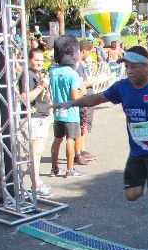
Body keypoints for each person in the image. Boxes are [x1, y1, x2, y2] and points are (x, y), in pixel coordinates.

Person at [52, 46, 148, 250]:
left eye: (133, 67)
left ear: (145, 66)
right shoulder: (122, 87)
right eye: (126, 66)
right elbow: (97, 98)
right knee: (132, 195)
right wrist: (71, 103)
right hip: (136, 150)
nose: (128, 71)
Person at [49, 36, 86, 178]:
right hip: (70, 112)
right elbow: (75, 96)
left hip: (57, 111)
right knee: (70, 139)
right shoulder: (73, 74)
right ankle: (70, 169)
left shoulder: (53, 71)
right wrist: (83, 91)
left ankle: (54, 168)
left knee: (57, 139)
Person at [20, 48, 53, 197]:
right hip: (34, 119)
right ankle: (36, 185)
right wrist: (41, 86)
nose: (39, 63)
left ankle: (35, 183)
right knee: (36, 153)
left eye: (41, 60)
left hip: (42, 117)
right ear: (29, 60)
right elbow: (26, 98)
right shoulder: (27, 76)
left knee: (36, 153)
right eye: (36, 60)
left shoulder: (37, 75)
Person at [75, 40, 97, 165]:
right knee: (81, 127)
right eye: (90, 51)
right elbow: (80, 84)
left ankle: (82, 150)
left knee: (85, 126)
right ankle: (78, 153)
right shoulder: (77, 65)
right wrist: (94, 81)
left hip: (87, 99)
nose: (90, 54)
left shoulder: (82, 64)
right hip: (82, 100)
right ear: (84, 50)